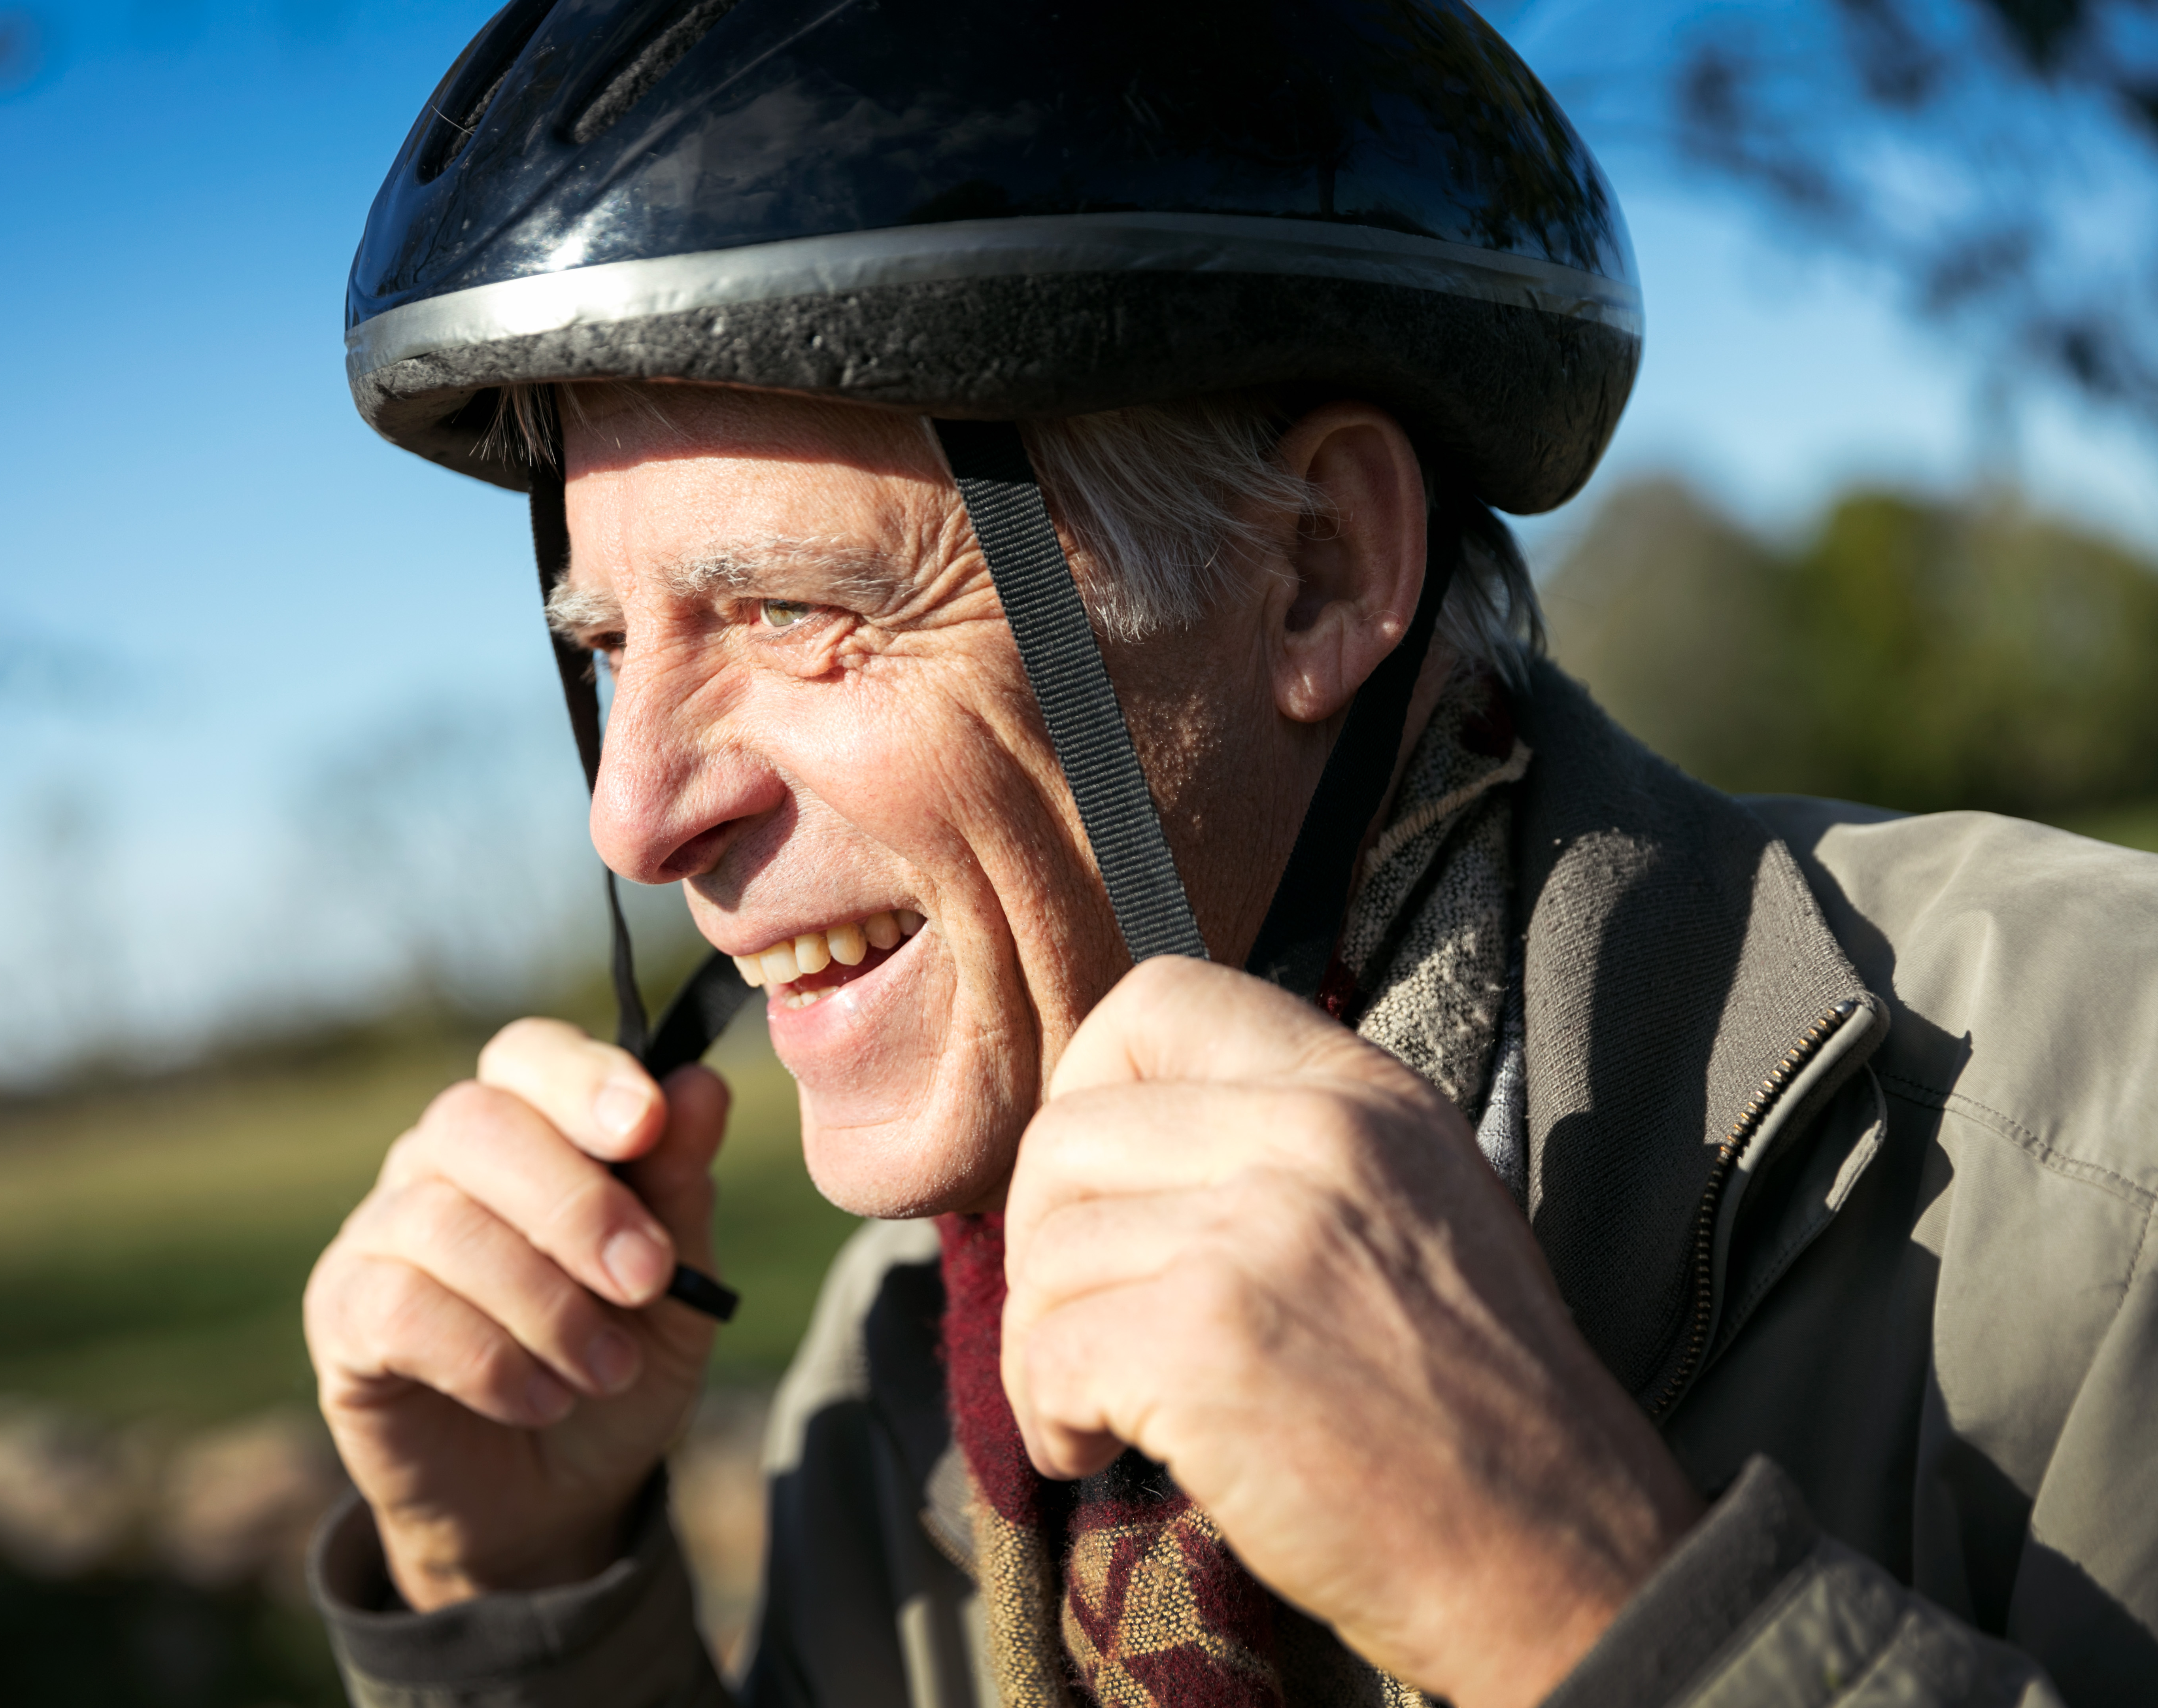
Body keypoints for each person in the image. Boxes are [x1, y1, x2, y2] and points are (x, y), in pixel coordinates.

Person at [300, 2, 2158, 1703]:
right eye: (608, 650)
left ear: (1318, 571)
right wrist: (517, 1601)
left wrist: (1584, 1599)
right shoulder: (907, 1376)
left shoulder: (2105, 1161)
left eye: (795, 608)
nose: (634, 816)